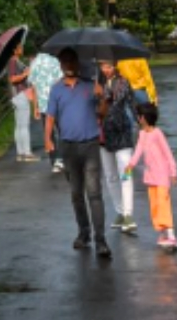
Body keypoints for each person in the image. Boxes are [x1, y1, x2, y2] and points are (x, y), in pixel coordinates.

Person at [45, 48, 112, 259]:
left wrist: (102, 99)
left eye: (72, 61)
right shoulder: (56, 89)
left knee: (94, 192)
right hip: (68, 146)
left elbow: (102, 113)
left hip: (90, 144)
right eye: (65, 62)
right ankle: (84, 233)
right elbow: (50, 116)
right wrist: (48, 139)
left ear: (77, 62)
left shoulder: (90, 85)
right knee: (76, 194)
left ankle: (101, 240)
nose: (69, 65)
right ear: (61, 65)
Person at [127, 102, 177, 251]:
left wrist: (173, 172)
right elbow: (138, 150)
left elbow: (168, 153)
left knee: (163, 204)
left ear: (144, 118)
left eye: (139, 116)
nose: (138, 118)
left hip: (162, 175)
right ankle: (163, 233)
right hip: (150, 176)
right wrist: (131, 164)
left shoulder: (157, 134)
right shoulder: (142, 134)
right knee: (155, 205)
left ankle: (171, 235)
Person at [98, 59, 138, 236]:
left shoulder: (122, 82)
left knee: (125, 173)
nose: (106, 70)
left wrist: (142, 124)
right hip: (103, 135)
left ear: (115, 65)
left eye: (108, 66)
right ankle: (120, 211)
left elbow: (119, 100)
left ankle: (128, 214)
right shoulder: (96, 83)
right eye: (102, 66)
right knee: (110, 176)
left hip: (122, 132)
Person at [8, 42, 36, 162]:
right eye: (20, 47)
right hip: (20, 95)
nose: (22, 48)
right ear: (14, 50)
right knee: (23, 125)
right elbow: (12, 79)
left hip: (16, 96)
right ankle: (27, 153)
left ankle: (20, 153)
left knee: (19, 126)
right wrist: (26, 73)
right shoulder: (13, 61)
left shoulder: (14, 61)